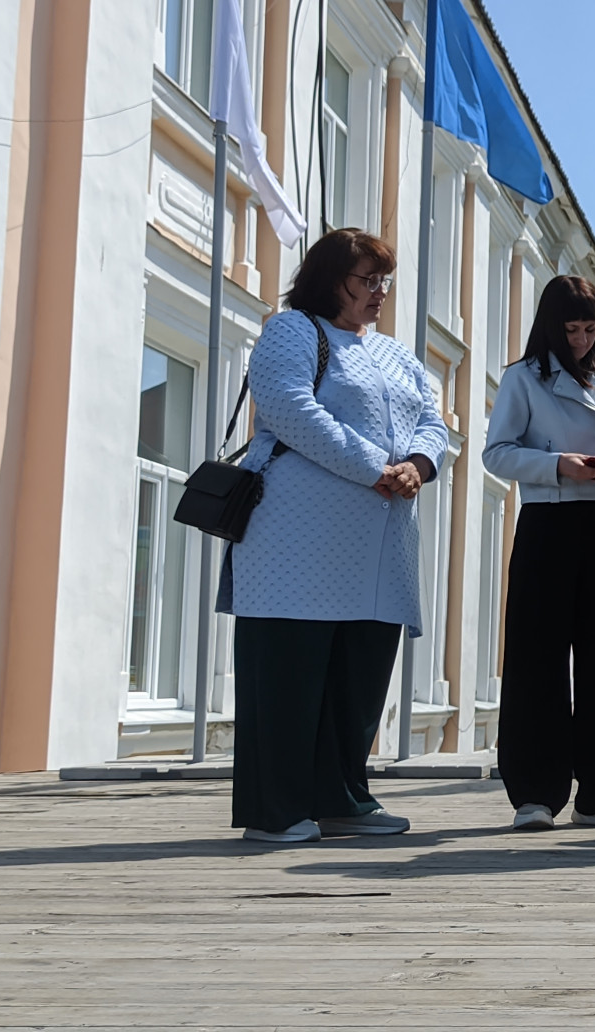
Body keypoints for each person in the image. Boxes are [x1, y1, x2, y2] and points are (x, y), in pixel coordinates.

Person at [219, 229, 448, 843]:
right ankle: (278, 810)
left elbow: (433, 419)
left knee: (359, 674)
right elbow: (290, 407)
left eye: (384, 281)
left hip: (380, 542)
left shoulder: (397, 354)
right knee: (290, 672)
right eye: (366, 280)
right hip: (297, 542)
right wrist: (376, 467)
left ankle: (343, 797)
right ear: (329, 279)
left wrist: (419, 465)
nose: (378, 293)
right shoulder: (292, 330)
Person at [483, 276, 595, 832]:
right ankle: (534, 793)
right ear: (551, 327)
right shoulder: (523, 378)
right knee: (537, 657)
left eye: (590, 328)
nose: (583, 339)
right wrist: (558, 464)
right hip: (547, 520)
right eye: (572, 329)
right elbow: (497, 453)